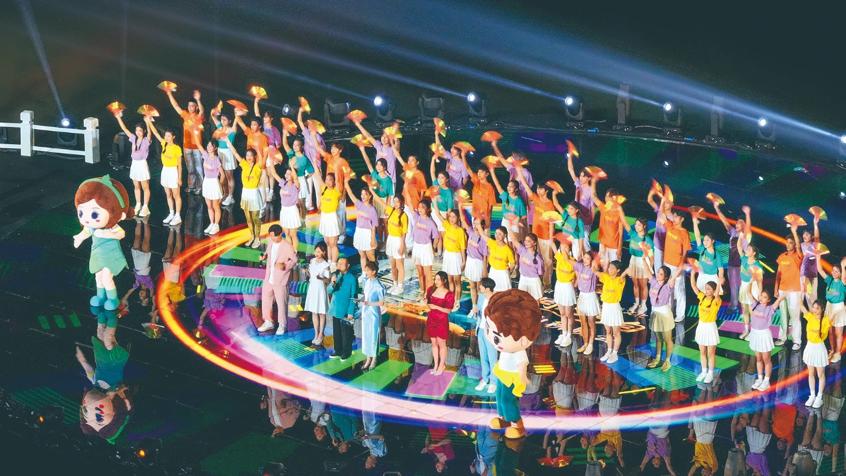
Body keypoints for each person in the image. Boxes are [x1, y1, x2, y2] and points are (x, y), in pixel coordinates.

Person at [483, 289, 541, 439]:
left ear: (524, 339)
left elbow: (522, 365)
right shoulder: (506, 350)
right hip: (503, 373)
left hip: (512, 377)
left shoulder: (519, 352)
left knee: (508, 400)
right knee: (499, 396)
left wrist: (522, 377)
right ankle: (503, 418)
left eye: (497, 337)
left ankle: (517, 423)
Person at [73, 176, 133, 310]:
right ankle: (100, 296)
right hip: (97, 254)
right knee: (98, 276)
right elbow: (86, 231)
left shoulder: (112, 227)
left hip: (111, 255)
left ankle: (113, 299)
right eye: (81, 213)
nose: (86, 219)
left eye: (94, 215)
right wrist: (79, 238)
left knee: (106, 277)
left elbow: (121, 234)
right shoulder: (92, 227)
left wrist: (106, 234)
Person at [222, 135, 263, 248]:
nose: (249, 157)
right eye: (247, 155)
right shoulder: (244, 165)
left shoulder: (258, 167)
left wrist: (258, 148)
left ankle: (257, 238)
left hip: (254, 194)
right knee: (248, 218)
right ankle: (252, 236)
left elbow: (261, 158)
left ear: (254, 157)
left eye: (251, 155)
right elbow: (235, 153)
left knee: (255, 218)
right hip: (245, 193)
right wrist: (228, 142)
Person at [516, 171, 555, 286]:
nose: (538, 190)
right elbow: (528, 189)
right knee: (537, 258)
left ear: (546, 191)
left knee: (547, 261)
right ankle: (538, 278)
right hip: (535, 235)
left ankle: (547, 283)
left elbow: (552, 223)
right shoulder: (536, 199)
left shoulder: (550, 205)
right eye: (537, 188)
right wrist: (521, 176)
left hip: (546, 237)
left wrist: (551, 238)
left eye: (541, 189)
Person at [164, 88, 204, 195]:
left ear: (196, 107)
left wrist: (198, 100)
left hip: (197, 148)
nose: (190, 107)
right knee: (190, 168)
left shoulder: (199, 117)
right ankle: (191, 186)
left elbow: (202, 111)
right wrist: (169, 94)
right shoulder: (185, 115)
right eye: (189, 105)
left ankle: (200, 187)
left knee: (199, 168)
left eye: (192, 106)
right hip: (187, 147)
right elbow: (176, 106)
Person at [258, 225, 296, 334]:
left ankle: (282, 325)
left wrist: (285, 265)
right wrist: (264, 257)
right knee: (266, 299)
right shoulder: (271, 242)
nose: (272, 238)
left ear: (280, 234)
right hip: (269, 277)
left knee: (281, 303)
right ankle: (268, 321)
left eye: (273, 236)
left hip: (280, 279)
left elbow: (294, 260)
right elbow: (268, 252)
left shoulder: (287, 246)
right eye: (270, 236)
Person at [713, 203, 751, 313]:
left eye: (740, 223)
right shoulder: (733, 232)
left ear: (744, 225)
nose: (737, 224)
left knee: (742, 286)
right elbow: (724, 221)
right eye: (737, 222)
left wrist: (747, 214)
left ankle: (744, 306)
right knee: (733, 286)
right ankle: (734, 306)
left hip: (742, 265)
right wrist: (716, 208)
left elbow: (748, 227)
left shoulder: (746, 235)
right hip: (731, 264)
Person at [145, 117, 183, 226]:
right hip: (165, 171)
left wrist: (179, 178)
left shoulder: (177, 148)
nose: (166, 137)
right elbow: (156, 133)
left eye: (169, 136)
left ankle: (178, 216)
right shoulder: (164, 144)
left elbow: (180, 165)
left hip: (173, 172)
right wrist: (149, 122)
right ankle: (171, 213)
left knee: (176, 195)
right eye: (166, 135)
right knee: (168, 194)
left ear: (173, 137)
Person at [113, 111, 151, 217]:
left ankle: (145, 206)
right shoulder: (133, 138)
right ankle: (138, 204)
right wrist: (118, 118)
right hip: (134, 164)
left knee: (145, 187)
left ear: (143, 131)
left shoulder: (146, 140)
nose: (138, 132)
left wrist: (147, 122)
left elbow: (150, 133)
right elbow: (124, 129)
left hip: (142, 164)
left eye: (140, 130)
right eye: (136, 130)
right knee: (136, 186)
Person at [747, 290, 784, 391]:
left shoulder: (769, 309)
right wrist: (750, 282)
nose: (762, 298)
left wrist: (781, 295)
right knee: (758, 358)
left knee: (766, 360)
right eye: (761, 296)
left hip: (764, 335)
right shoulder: (755, 304)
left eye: (765, 297)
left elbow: (779, 300)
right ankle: (760, 378)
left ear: (768, 300)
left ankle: (766, 381)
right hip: (755, 334)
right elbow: (749, 293)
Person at [316, 141, 352, 242]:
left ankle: (342, 235)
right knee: (332, 214)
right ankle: (332, 233)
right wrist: (313, 135)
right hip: (329, 190)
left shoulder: (343, 162)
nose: (332, 150)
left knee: (340, 214)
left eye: (335, 148)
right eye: (331, 148)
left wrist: (344, 193)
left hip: (339, 191)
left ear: (340, 150)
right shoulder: (329, 158)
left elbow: (347, 178)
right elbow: (319, 149)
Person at [690, 270, 722, 384]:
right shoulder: (702, 297)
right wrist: (693, 274)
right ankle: (704, 372)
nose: (706, 290)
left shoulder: (716, 300)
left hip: (710, 328)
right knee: (702, 351)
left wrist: (719, 281)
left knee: (710, 353)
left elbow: (717, 293)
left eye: (709, 289)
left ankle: (710, 373)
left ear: (713, 290)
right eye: (706, 288)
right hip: (701, 327)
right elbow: (693, 286)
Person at [775, 221, 803, 349]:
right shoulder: (781, 257)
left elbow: (799, 246)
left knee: (794, 316)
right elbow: (778, 274)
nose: (788, 244)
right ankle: (782, 337)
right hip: (782, 290)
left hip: (794, 291)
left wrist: (794, 231)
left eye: (791, 242)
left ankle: (797, 341)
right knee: (783, 315)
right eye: (787, 242)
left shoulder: (798, 256)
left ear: (795, 244)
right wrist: (776, 289)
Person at [647, 266, 681, 371]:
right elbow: (647, 270)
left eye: (661, 274)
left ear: (666, 277)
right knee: (658, 338)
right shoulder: (653, 281)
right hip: (655, 313)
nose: (658, 275)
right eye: (658, 272)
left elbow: (674, 276)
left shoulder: (668, 285)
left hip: (664, 314)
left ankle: (667, 361)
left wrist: (682, 265)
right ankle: (657, 358)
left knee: (667, 339)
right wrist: (643, 259)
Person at [233, 113, 272, 204]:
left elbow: (265, 152)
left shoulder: (263, 138)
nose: (252, 126)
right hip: (249, 164)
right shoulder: (249, 132)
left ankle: (262, 205)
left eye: (254, 125)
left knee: (260, 186)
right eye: (251, 124)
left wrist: (263, 165)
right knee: (251, 186)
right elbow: (239, 121)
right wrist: (238, 113)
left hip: (258, 165)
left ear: (260, 126)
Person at [310, 161, 343, 269]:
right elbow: (318, 176)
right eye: (327, 179)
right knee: (327, 242)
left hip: (332, 217)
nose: (328, 181)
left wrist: (337, 167)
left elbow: (339, 180)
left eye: (330, 180)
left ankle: (334, 263)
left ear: (334, 181)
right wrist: (314, 164)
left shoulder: (336, 191)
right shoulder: (324, 188)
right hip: (324, 217)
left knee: (333, 243)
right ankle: (329, 260)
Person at [591, 181, 630, 270]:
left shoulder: (619, 212)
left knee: (613, 269)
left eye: (607, 196)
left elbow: (621, 232)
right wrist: (594, 181)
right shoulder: (603, 208)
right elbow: (593, 196)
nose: (605, 198)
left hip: (614, 247)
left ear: (613, 198)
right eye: (605, 196)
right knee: (603, 267)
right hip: (603, 244)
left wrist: (619, 248)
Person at [393, 144, 427, 249]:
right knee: (406, 224)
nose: (409, 162)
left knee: (414, 224)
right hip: (405, 202)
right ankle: (408, 245)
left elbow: (423, 190)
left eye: (412, 160)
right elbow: (398, 156)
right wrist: (393, 141)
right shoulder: (407, 169)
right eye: (409, 160)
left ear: (417, 162)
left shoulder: (420, 174)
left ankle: (417, 245)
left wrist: (420, 204)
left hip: (415, 203)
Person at [373, 194, 408, 294]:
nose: (396, 204)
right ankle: (395, 284)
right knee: (392, 265)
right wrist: (371, 190)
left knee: (399, 265)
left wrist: (402, 245)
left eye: (398, 201)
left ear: (401, 202)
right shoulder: (391, 210)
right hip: (390, 240)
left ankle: (400, 287)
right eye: (394, 201)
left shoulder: (404, 216)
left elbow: (404, 233)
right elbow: (380, 201)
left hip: (398, 240)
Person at [597, 260, 631, 363]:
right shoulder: (606, 277)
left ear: (618, 270)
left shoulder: (620, 280)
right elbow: (595, 271)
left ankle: (615, 353)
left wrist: (632, 266)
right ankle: (609, 351)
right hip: (606, 307)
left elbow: (625, 273)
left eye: (612, 268)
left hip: (614, 307)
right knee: (608, 331)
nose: (609, 269)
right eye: (609, 267)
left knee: (616, 333)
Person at [433, 206, 466, 307]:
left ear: (458, 218)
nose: (451, 219)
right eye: (450, 216)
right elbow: (438, 214)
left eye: (454, 217)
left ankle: (457, 301)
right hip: (448, 255)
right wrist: (434, 201)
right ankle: (451, 300)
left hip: (456, 256)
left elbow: (462, 248)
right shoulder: (447, 225)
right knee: (450, 280)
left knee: (457, 281)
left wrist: (464, 261)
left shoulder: (460, 231)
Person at [800, 300, 831, 408]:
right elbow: (801, 306)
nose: (815, 310)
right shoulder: (810, 316)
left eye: (817, 308)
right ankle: (812, 395)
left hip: (819, 348)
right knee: (811, 373)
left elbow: (825, 334)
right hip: (810, 347)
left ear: (822, 309)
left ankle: (819, 397)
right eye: (813, 307)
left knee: (820, 375)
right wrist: (801, 293)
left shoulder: (825, 320)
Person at [352, 117, 399, 188]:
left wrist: (395, 131)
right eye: (383, 136)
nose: (384, 138)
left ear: (390, 139)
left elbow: (397, 142)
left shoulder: (392, 149)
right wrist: (358, 124)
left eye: (386, 137)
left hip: (390, 181)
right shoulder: (378, 146)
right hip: (378, 180)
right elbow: (368, 136)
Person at [816, 253, 845, 363]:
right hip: (829, 307)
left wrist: (842, 265)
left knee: (838, 333)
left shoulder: (842, 282)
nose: (834, 272)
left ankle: (838, 353)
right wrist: (818, 257)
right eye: (833, 270)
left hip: (839, 308)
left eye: (836, 271)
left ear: (841, 273)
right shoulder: (830, 280)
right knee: (830, 331)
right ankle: (832, 350)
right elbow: (820, 270)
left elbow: (843, 272)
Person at [459, 206, 488, 315]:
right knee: (472, 286)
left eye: (478, 224)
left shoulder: (485, 240)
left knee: (480, 288)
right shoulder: (470, 232)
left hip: (479, 264)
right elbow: (462, 220)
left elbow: (485, 257)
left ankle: (480, 309)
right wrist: (460, 206)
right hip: (470, 262)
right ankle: (474, 307)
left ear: (483, 226)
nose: (476, 226)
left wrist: (485, 270)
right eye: (475, 224)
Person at [328, 257, 358, 360]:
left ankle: (346, 352)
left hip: (345, 310)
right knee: (336, 332)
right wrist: (333, 283)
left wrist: (350, 312)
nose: (339, 265)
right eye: (338, 263)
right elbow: (329, 291)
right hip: (335, 308)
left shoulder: (352, 278)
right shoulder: (335, 276)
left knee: (346, 333)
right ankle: (338, 350)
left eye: (342, 263)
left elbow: (354, 296)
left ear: (348, 265)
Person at [193, 131, 223, 235]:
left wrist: (219, 186)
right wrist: (195, 132)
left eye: (211, 146)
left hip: (214, 182)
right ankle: (211, 223)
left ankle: (216, 225)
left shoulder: (216, 159)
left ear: (215, 148)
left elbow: (222, 175)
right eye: (208, 145)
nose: (209, 147)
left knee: (215, 206)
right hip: (206, 182)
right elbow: (198, 144)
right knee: (209, 205)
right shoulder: (205, 155)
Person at [663, 212, 691, 322]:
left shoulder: (684, 233)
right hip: (666, 263)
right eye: (673, 216)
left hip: (677, 265)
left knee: (679, 290)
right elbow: (662, 214)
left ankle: (680, 314)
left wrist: (681, 265)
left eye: (676, 216)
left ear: (682, 219)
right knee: (668, 288)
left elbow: (685, 252)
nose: (674, 218)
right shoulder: (670, 226)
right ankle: (669, 311)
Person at [282, 127, 315, 219]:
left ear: (301, 146)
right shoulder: (291, 154)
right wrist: (284, 133)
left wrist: (304, 178)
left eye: (297, 145)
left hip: (300, 180)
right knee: (294, 203)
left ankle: (303, 220)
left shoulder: (304, 159)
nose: (294, 147)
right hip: (291, 181)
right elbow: (285, 144)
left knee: (301, 203)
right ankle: (297, 220)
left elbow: (311, 171)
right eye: (294, 145)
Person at [344, 177, 378, 266]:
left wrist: (373, 239)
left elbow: (374, 226)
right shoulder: (359, 204)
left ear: (370, 196)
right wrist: (346, 183)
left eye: (365, 194)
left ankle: (374, 271)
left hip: (368, 233)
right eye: (362, 194)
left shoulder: (372, 209)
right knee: (362, 255)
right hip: (359, 232)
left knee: (370, 256)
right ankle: (364, 272)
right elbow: (350, 194)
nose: (363, 196)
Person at [426, 271, 455, 375]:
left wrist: (436, 307)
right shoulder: (431, 290)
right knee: (434, 343)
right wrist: (426, 303)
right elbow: (428, 302)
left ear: (444, 281)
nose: (436, 281)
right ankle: (435, 365)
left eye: (439, 279)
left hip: (442, 321)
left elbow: (448, 310)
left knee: (441, 343)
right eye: (435, 279)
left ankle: (442, 365)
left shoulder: (449, 294)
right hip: (431, 319)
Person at [489, 165, 527, 244]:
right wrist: (492, 171)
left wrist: (517, 219)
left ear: (516, 189)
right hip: (505, 221)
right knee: (504, 241)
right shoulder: (505, 196)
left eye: (511, 186)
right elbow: (497, 184)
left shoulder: (519, 201)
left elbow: (524, 216)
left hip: (514, 224)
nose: (509, 188)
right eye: (508, 186)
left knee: (514, 243)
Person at [267, 166, 301, 253]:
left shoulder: (296, 185)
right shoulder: (283, 183)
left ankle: (294, 251)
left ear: (293, 175)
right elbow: (274, 173)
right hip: (284, 210)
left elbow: (296, 178)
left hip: (292, 210)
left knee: (293, 234)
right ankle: (289, 251)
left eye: (289, 174)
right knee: (287, 234)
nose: (287, 175)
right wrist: (271, 162)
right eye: (286, 173)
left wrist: (292, 167)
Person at [472, 278, 498, 393]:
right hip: (481, 330)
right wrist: (475, 312)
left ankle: (493, 381)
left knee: (492, 357)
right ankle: (485, 378)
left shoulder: (496, 300)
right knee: (483, 356)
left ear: (487, 288)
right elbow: (478, 314)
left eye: (481, 286)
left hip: (491, 332)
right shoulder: (481, 297)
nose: (479, 287)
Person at [410, 199, 440, 295]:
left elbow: (436, 237)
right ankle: (422, 291)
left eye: (422, 207)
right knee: (420, 273)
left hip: (426, 248)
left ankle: (428, 294)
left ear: (427, 209)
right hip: (417, 247)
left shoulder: (431, 222)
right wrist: (406, 190)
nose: (420, 209)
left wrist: (433, 248)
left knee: (428, 274)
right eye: (419, 207)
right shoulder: (416, 217)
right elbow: (410, 204)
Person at [304, 242, 331, 346]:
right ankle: (316, 334)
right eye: (316, 251)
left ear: (324, 252)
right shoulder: (312, 261)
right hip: (312, 288)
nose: (317, 253)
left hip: (320, 289)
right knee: (314, 312)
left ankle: (321, 334)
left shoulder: (326, 265)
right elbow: (310, 275)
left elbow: (328, 280)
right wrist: (306, 271)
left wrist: (321, 278)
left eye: (319, 251)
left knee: (321, 313)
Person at [567, 153, 594, 254]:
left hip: (585, 222)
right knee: (575, 243)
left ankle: (587, 260)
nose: (581, 178)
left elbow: (592, 208)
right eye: (581, 176)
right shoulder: (578, 184)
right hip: (575, 219)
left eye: (584, 176)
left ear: (589, 178)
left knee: (585, 245)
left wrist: (589, 222)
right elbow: (570, 169)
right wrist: (570, 156)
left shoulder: (591, 190)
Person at [360, 261, 385, 371]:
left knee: (374, 335)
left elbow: (381, 302)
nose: (366, 272)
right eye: (365, 270)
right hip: (365, 312)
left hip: (374, 313)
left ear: (374, 271)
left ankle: (374, 358)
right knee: (366, 335)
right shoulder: (366, 282)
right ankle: (368, 358)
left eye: (368, 270)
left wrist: (369, 303)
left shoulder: (378, 285)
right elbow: (365, 295)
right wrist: (361, 300)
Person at [574, 251, 600, 355]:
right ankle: (585, 343)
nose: (585, 260)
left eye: (588, 258)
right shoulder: (580, 266)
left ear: (592, 260)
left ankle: (590, 344)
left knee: (591, 322)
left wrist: (594, 261)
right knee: (583, 322)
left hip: (590, 297)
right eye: (584, 258)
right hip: (582, 296)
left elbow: (597, 261)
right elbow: (570, 261)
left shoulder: (594, 269)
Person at [552, 238, 577, 347]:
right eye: (562, 246)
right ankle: (564, 333)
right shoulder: (559, 257)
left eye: (566, 247)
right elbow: (551, 243)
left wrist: (574, 284)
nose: (563, 248)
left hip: (568, 287)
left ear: (569, 249)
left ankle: (569, 335)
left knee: (568, 314)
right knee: (562, 313)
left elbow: (577, 275)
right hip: (559, 286)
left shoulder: (573, 261)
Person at [627, 218, 654, 316]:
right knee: (635, 284)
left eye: (639, 225)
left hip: (643, 262)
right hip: (633, 260)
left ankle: (643, 305)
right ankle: (637, 303)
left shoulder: (648, 240)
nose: (636, 226)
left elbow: (651, 257)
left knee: (643, 285)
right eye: (636, 224)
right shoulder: (633, 234)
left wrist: (650, 269)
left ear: (644, 226)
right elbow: (625, 224)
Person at [210, 111, 238, 206]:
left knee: (229, 176)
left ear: (229, 121)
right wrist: (214, 112)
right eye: (222, 119)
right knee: (222, 175)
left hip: (228, 153)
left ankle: (230, 196)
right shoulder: (219, 128)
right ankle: (225, 193)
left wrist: (237, 115)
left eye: (225, 120)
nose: (222, 121)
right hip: (220, 153)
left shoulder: (232, 130)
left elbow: (236, 121)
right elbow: (213, 117)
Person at [692, 215, 725, 294]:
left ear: (712, 241)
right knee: (702, 295)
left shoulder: (717, 255)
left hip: (712, 278)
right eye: (704, 240)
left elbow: (721, 269)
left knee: (713, 296)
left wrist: (721, 278)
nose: (705, 242)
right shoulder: (702, 249)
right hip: (702, 276)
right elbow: (697, 236)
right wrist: (695, 223)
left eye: (707, 240)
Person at [429, 158, 455, 256]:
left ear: (447, 179)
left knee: (443, 235)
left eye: (442, 178)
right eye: (439, 177)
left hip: (443, 214)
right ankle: (438, 252)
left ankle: (444, 253)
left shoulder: (448, 192)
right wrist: (433, 159)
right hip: (434, 212)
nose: (439, 179)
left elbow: (449, 208)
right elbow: (432, 172)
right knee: (437, 234)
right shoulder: (436, 185)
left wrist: (446, 219)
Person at [738, 244, 764, 340]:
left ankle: (753, 332)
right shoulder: (744, 259)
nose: (746, 250)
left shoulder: (757, 265)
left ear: (754, 253)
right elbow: (739, 246)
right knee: (744, 310)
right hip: (743, 285)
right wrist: (740, 237)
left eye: (749, 249)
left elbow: (760, 282)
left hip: (753, 287)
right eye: (747, 249)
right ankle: (746, 330)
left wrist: (760, 294)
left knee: (751, 311)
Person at [514, 233, 545, 300]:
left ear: (535, 243)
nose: (526, 242)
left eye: (529, 241)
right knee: (522, 300)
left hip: (534, 281)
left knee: (535, 300)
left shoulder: (538, 259)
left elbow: (541, 274)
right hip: (523, 278)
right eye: (525, 240)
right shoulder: (522, 250)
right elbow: (514, 240)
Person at [800, 216, 821, 307]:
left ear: (811, 236)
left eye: (807, 234)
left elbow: (817, 237)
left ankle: (814, 313)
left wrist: (815, 224)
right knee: (803, 296)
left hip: (812, 274)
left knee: (812, 297)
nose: (805, 236)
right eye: (804, 234)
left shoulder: (814, 245)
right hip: (803, 274)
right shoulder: (801, 245)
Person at [487, 226, 515, 292]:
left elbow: (512, 264)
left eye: (500, 234)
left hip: (502, 274)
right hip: (493, 271)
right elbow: (482, 234)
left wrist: (509, 271)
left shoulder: (508, 250)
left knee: (503, 293)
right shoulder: (492, 243)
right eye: (496, 233)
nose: (497, 235)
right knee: (492, 292)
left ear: (505, 235)